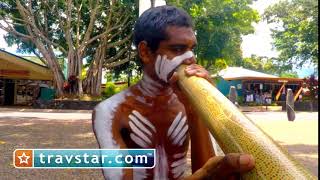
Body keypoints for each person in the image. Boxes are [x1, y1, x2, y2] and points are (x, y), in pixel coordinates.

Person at [92, 5, 255, 180]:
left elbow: (209, 169)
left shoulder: (190, 103)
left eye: (192, 48)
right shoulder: (109, 112)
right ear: (145, 52)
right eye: (177, 49)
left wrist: (196, 112)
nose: (190, 58)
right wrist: (207, 175)